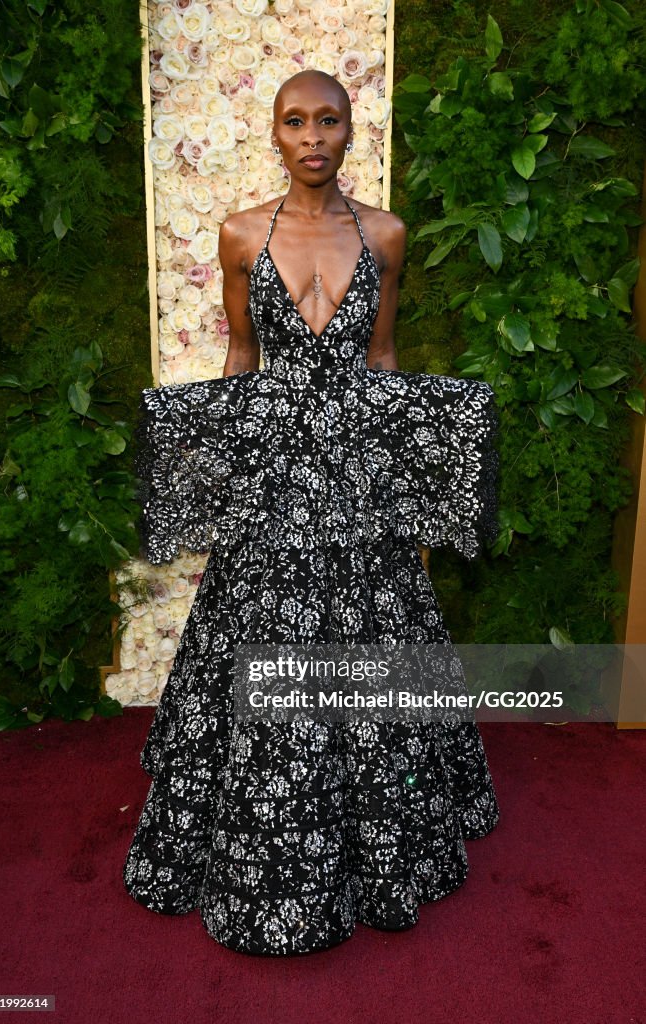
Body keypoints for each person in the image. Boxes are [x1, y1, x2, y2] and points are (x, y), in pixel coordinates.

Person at [122, 69, 500, 956]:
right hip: (273, 483)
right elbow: (239, 357)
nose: (312, 137)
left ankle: (379, 839)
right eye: (294, 121)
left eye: (328, 120)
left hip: (358, 483)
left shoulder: (388, 235)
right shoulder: (241, 236)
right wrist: (220, 483)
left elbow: (382, 360)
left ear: (349, 129)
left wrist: (405, 483)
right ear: (275, 134)